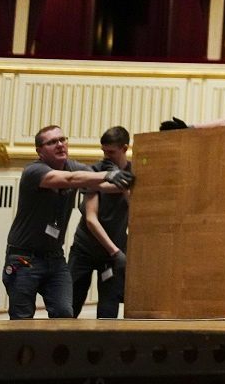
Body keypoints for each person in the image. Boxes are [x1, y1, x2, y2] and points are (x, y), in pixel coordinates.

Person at [3, 125, 134, 319]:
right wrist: (107, 175)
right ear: (40, 151)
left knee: (65, 313)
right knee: (21, 320)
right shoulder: (34, 171)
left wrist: (125, 181)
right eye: (52, 142)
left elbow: (103, 185)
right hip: (24, 259)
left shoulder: (74, 166)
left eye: (62, 140)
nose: (60, 145)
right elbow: (70, 179)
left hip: (55, 259)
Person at [68, 126, 132, 319]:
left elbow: (137, 209)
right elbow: (90, 218)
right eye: (104, 151)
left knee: (108, 310)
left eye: (111, 152)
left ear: (125, 149)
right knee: (70, 305)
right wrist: (116, 252)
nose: (106, 156)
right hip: (85, 250)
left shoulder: (134, 172)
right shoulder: (94, 171)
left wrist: (122, 184)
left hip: (112, 254)